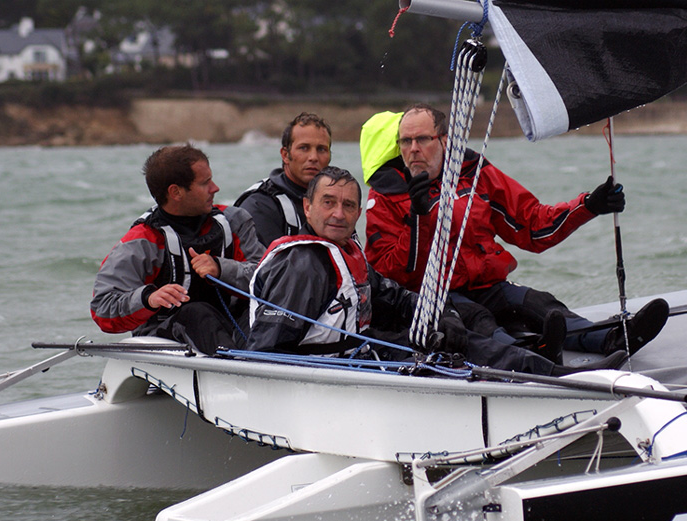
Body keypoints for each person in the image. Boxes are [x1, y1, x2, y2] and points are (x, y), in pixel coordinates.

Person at [248, 166, 626, 376]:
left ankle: (553, 374)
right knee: (447, 357)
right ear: (307, 207)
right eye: (328, 203)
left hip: (360, 352)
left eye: (348, 206)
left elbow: (392, 294)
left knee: (460, 337)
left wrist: (441, 314)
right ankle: (548, 379)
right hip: (339, 371)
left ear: (358, 214)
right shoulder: (303, 264)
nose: (338, 213)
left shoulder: (346, 253)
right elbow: (265, 352)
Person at [363, 104, 668, 363]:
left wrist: (588, 205)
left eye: (422, 139)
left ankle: (613, 339)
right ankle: (536, 359)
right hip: (437, 297)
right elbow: (390, 274)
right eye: (405, 141)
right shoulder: (386, 197)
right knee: (480, 323)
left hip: (488, 284)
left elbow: (531, 226)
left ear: (444, 140)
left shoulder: (474, 173)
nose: (413, 149)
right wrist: (418, 217)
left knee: (538, 303)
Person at [91, 144, 265, 354]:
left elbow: (270, 280)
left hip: (232, 327)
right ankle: (239, 370)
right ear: (176, 192)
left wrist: (221, 268)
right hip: (170, 340)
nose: (215, 188)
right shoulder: (142, 242)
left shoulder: (235, 222)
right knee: (197, 314)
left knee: (268, 311)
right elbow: (102, 308)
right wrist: (148, 298)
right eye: (205, 183)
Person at [234, 112, 333, 248]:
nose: (313, 157)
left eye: (321, 149)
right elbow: (265, 266)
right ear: (285, 155)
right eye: (304, 148)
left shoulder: (336, 203)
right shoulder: (260, 206)